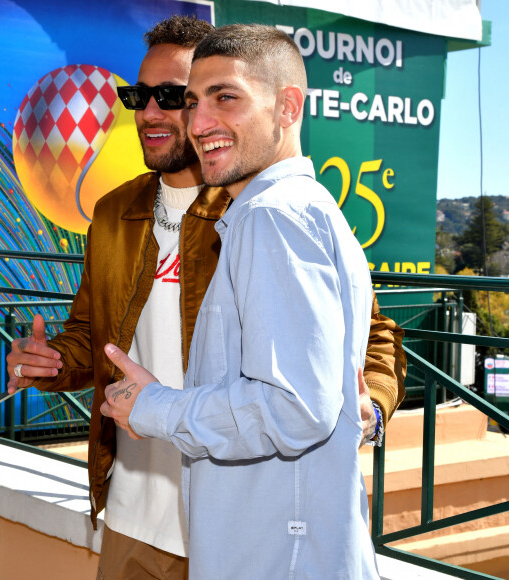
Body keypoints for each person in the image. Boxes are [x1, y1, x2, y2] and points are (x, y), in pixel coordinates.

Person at [6, 15, 405, 580]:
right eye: (140, 95)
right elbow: (95, 336)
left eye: (173, 96)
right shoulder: (115, 213)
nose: (149, 112)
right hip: (133, 513)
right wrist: (51, 363)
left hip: (240, 525)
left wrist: (368, 412)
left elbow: (366, 342)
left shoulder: (255, 212)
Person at [100, 23, 382, 579]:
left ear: (287, 107)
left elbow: (295, 408)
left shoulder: (270, 217)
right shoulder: (299, 207)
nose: (199, 124)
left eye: (225, 97)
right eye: (195, 102)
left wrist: (153, 407)